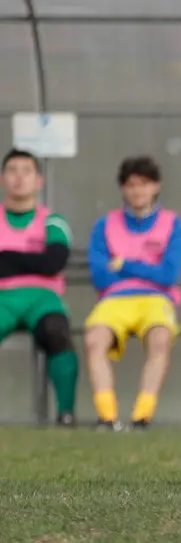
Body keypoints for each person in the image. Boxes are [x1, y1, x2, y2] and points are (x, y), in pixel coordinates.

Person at [84, 155, 181, 429]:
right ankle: (106, 416)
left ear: (156, 186)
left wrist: (124, 264)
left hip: (156, 299)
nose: (137, 191)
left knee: (160, 338)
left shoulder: (173, 224)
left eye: (144, 184)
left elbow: (169, 274)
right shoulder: (104, 225)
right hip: (115, 298)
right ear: (122, 188)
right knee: (94, 339)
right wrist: (144, 268)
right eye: (131, 185)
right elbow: (100, 275)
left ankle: (143, 414)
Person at [0, 148, 78, 426]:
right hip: (3, 299)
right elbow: (42, 261)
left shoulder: (52, 221)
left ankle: (66, 413)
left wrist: (7, 258)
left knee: (56, 331)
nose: (19, 178)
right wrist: (33, 260)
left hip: (43, 299)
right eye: (12, 171)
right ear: (2, 179)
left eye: (26, 171)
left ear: (39, 180)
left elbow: (54, 261)